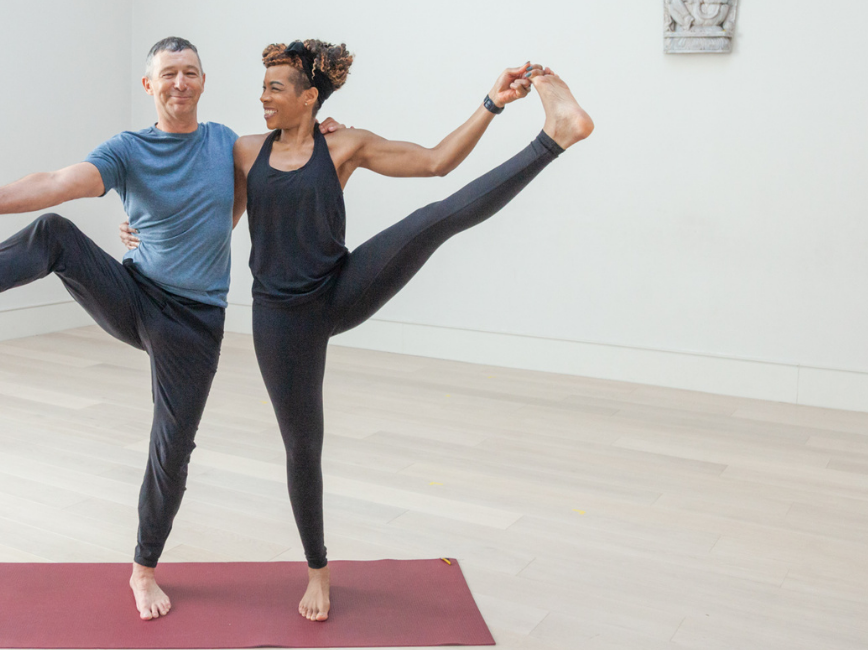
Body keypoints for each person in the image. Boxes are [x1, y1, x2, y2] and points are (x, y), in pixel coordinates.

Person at [123, 39, 593, 622]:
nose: (263, 97)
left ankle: (558, 136)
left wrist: (492, 103)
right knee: (302, 446)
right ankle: (318, 569)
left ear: (309, 97)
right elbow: (192, 193)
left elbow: (436, 160)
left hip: (339, 289)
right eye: (263, 86)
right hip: (278, 319)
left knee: (435, 218)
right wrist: (141, 227)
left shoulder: (344, 145)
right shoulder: (244, 150)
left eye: (274, 88)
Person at [0, 36, 342, 621]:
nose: (180, 83)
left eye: (190, 72)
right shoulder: (128, 150)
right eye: (168, 74)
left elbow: (292, 144)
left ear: (203, 82)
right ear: (149, 86)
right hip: (135, 295)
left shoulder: (228, 145)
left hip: (195, 321)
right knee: (55, 231)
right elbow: (57, 180)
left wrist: (324, 127)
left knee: (172, 449)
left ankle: (143, 570)